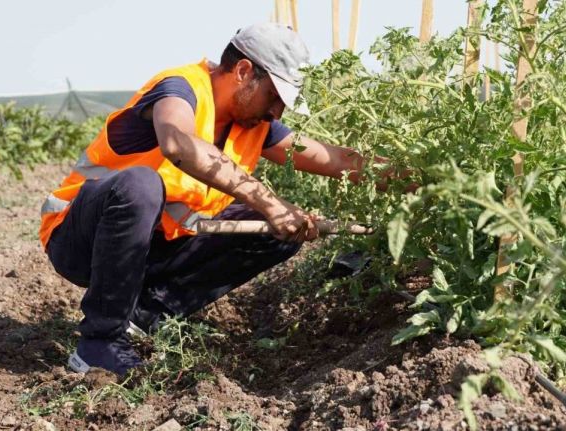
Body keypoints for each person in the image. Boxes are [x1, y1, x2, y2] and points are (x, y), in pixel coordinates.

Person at [39, 23, 379, 376]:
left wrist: (417, 176)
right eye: (274, 97)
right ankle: (98, 342)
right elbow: (178, 143)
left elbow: (338, 160)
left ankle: (142, 316)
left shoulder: (253, 125)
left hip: (155, 248)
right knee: (141, 185)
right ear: (244, 71)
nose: (276, 112)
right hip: (81, 241)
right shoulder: (179, 89)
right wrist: (268, 201)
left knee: (274, 232)